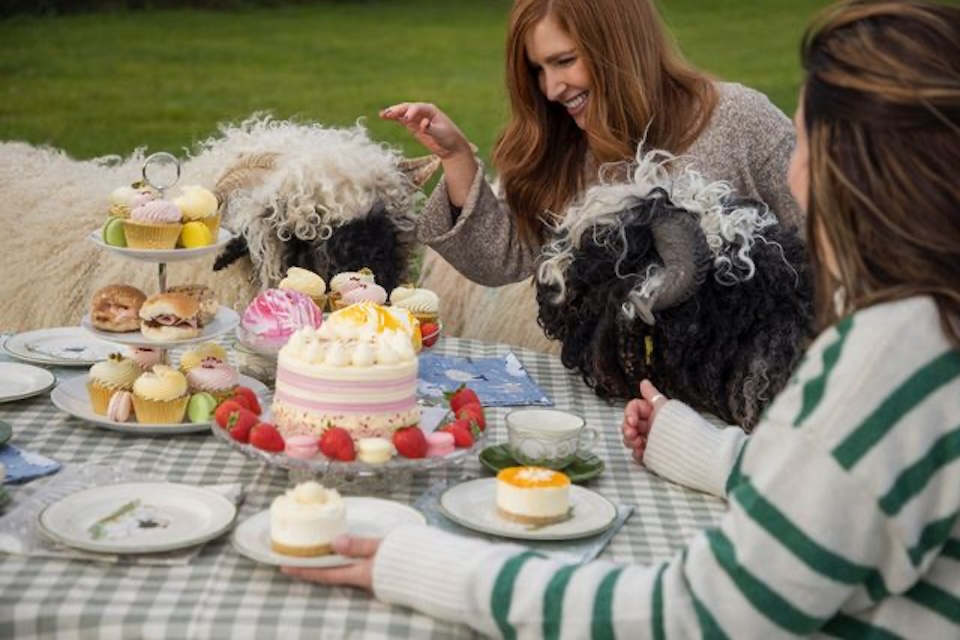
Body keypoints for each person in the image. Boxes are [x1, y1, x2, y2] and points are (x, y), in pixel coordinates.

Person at [283, 2, 960, 636]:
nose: (798, 167)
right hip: (700, 418)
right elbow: (831, 480)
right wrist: (701, 448)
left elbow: (697, 613)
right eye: (538, 70)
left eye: (808, 139)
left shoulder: (880, 361)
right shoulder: (923, 334)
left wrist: (428, 565)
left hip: (763, 399)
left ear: (856, 171)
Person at [386, 0, 804, 359]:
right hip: (608, 384)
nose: (551, 89)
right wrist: (456, 156)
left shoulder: (739, 120)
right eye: (538, 69)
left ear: (619, 45)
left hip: (733, 388)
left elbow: (827, 248)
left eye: (564, 61)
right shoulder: (564, 147)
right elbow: (503, 260)